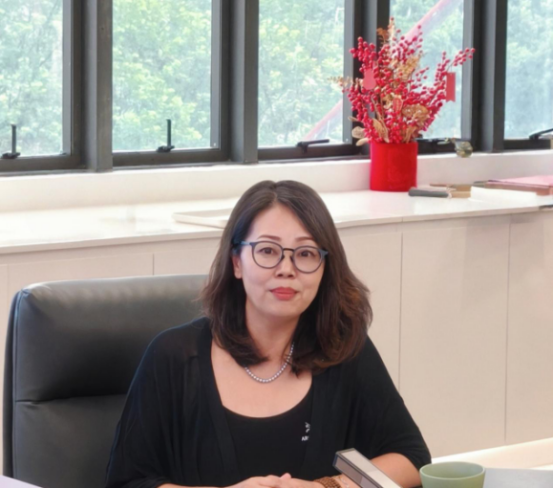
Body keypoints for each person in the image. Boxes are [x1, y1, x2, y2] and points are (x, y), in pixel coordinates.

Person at [105, 180, 431, 488]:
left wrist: (327, 486)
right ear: (236, 262)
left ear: (324, 268)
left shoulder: (343, 348)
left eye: (305, 253)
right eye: (267, 251)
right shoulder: (173, 357)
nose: (286, 269)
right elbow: (129, 482)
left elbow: (411, 458)